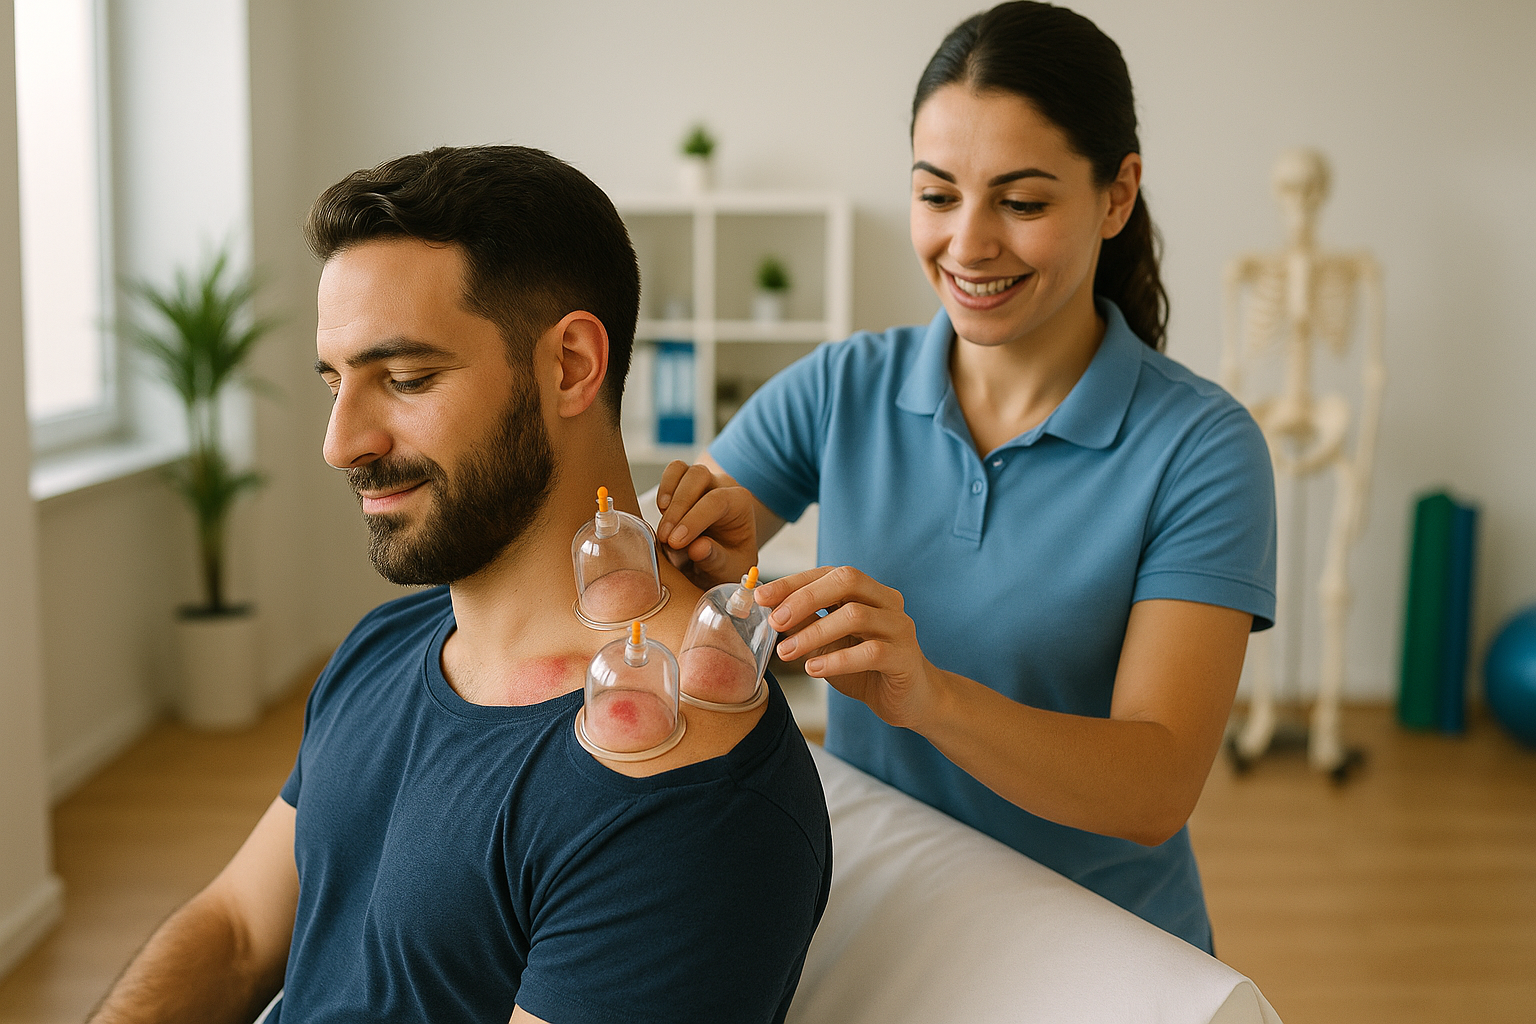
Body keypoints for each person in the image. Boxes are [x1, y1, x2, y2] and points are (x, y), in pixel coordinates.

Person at [89, 145, 831, 1024]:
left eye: (404, 379)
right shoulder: (385, 644)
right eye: (336, 382)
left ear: (570, 367)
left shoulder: (679, 781)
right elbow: (240, 933)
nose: (340, 443)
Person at [655, 1, 1274, 954]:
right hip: (886, 921)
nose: (969, 245)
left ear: (1117, 195)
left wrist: (928, 697)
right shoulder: (841, 386)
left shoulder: (1201, 448)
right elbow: (671, 606)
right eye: (937, 195)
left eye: (1022, 203)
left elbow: (1156, 787)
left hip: (1102, 949)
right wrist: (706, 570)